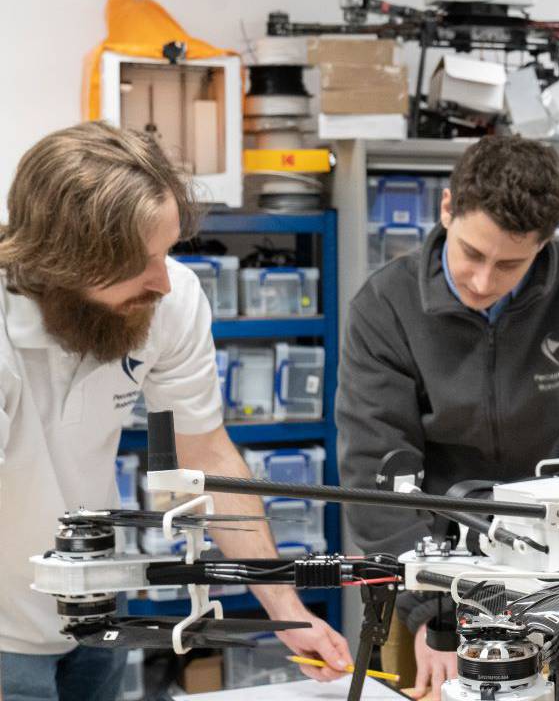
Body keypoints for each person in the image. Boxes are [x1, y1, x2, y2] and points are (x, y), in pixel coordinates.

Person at [0, 122, 352, 700]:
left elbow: (205, 454)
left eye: (166, 250)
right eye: (143, 262)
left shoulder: (169, 300)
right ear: (63, 262)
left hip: (96, 613)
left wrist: (283, 606)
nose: (164, 280)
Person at [337, 135, 559, 698]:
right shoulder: (384, 308)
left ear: (546, 242)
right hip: (434, 579)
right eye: (472, 254)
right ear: (447, 208)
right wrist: (438, 614)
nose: (483, 281)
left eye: (510, 263)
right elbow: (375, 480)